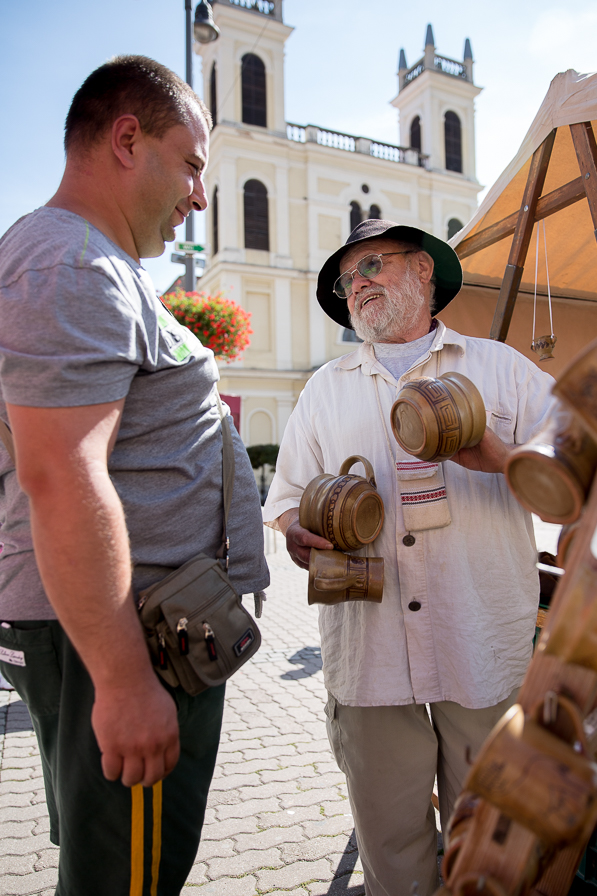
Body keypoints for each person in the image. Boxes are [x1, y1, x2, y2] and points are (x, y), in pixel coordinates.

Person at [0, 56, 269, 896]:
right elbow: (60, 477)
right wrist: (121, 683)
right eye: (191, 164)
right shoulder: (69, 266)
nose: (198, 194)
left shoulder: (94, 264)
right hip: (132, 646)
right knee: (127, 881)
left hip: (151, 634)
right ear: (127, 140)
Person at [263, 219, 554, 896]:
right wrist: (296, 533)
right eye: (345, 279)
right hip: (369, 654)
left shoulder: (502, 369)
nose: (355, 285)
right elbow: (285, 498)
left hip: (479, 644)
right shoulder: (324, 387)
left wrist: (495, 458)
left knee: (486, 841)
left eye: (370, 267)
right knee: (390, 848)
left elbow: (575, 480)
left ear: (423, 271)